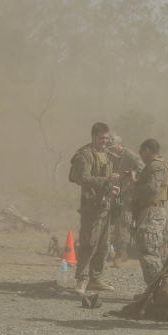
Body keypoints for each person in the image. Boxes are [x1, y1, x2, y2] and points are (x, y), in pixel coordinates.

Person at [68, 122, 119, 294]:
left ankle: (95, 278)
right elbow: (83, 178)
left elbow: (107, 179)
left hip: (105, 205)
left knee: (103, 245)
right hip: (91, 206)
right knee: (89, 243)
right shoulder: (85, 155)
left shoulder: (106, 154)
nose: (104, 141)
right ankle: (81, 280)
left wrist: (112, 185)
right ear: (93, 137)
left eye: (106, 138)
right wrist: (105, 181)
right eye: (101, 138)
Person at [128, 138, 168, 289]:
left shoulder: (156, 166)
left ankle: (159, 291)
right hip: (148, 211)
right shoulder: (153, 166)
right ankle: (155, 291)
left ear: (147, 150)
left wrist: (134, 187)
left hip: (153, 212)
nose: (141, 156)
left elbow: (152, 188)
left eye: (141, 152)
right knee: (147, 251)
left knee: (149, 251)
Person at [108, 135, 144, 266]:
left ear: (119, 146)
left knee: (122, 224)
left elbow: (142, 170)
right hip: (113, 192)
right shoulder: (110, 155)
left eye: (112, 148)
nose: (110, 150)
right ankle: (109, 252)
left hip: (126, 196)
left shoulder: (131, 156)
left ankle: (120, 254)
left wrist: (131, 174)